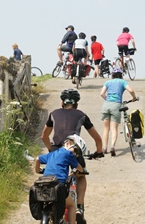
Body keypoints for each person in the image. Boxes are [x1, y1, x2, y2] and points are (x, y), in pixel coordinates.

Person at [41, 88, 103, 223]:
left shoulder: (53, 114)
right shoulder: (81, 115)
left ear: (62, 103)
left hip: (56, 150)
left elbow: (44, 136)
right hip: (74, 150)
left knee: (53, 177)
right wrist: (98, 153)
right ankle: (79, 207)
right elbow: (97, 139)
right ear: (76, 104)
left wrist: (52, 151)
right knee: (80, 176)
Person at [32, 138, 84, 223]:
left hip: (44, 184)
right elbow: (79, 168)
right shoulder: (68, 153)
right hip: (59, 185)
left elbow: (38, 159)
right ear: (67, 143)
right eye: (75, 150)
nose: (75, 154)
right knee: (71, 206)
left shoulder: (51, 154)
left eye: (77, 153)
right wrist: (82, 170)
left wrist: (38, 171)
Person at [100, 68, 137, 156]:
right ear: (121, 75)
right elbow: (131, 90)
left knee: (106, 129)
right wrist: (134, 98)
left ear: (112, 75)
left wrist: (107, 100)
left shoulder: (107, 82)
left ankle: (104, 148)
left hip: (106, 105)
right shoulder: (123, 82)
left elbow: (101, 93)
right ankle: (112, 146)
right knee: (114, 129)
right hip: (116, 105)